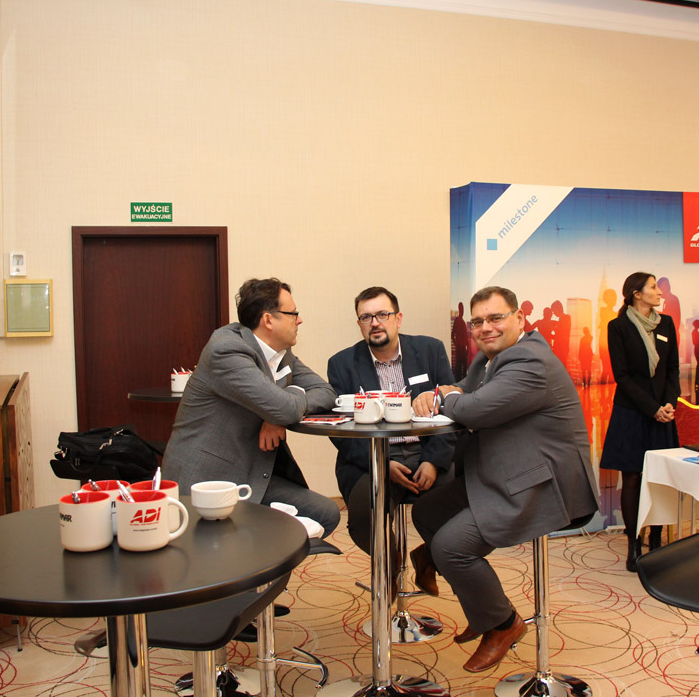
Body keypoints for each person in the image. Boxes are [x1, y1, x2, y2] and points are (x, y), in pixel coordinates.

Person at [410, 286, 597, 673]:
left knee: (451, 547)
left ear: (519, 318)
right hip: (502, 470)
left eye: (496, 318)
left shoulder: (530, 360)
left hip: (540, 482)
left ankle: (502, 623)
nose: (486, 328)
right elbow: (466, 389)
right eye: (477, 322)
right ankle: (476, 602)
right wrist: (451, 392)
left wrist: (443, 396)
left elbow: (474, 408)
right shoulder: (490, 357)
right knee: (427, 511)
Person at [163, 277, 340, 537]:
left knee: (325, 513)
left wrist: (277, 414)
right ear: (269, 320)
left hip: (253, 474)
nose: (299, 320)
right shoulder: (227, 350)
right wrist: (281, 408)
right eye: (293, 314)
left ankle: (267, 561)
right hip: (206, 482)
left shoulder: (282, 353)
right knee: (235, 547)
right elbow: (286, 408)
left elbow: (327, 393)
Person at [327, 286, 455, 559]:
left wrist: (433, 462)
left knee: (454, 515)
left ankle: (427, 560)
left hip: (428, 450)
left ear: (398, 318)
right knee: (365, 519)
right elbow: (340, 430)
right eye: (366, 317)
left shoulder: (430, 350)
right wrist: (381, 463)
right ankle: (391, 566)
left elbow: (449, 410)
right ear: (359, 324)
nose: (375, 323)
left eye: (383, 314)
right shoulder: (341, 364)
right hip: (372, 458)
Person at [599, 272, 679, 572]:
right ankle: (633, 544)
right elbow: (622, 376)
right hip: (633, 412)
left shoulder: (666, 324)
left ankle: (656, 541)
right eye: (653, 287)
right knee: (632, 478)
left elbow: (672, 370)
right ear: (636, 293)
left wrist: (668, 403)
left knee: (659, 478)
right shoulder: (618, 327)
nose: (659, 292)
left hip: (662, 413)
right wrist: (652, 408)